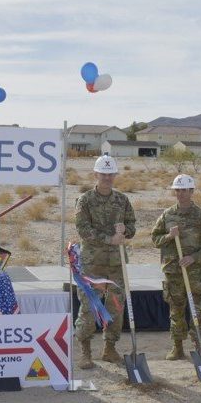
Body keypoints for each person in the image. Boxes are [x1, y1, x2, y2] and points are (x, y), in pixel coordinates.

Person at [74, 153, 136, 369]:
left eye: (111, 174)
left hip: (116, 264)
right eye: (103, 174)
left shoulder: (122, 200)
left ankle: (110, 348)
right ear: (96, 174)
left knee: (116, 307)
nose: (107, 178)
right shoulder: (85, 200)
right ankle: (85, 351)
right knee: (90, 306)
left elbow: (132, 226)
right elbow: (83, 229)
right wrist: (109, 238)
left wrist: (126, 230)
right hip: (93, 263)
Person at [150, 174, 201, 360]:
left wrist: (194, 257)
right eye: (177, 190)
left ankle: (199, 345)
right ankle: (177, 346)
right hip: (174, 271)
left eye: (184, 190)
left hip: (196, 273)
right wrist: (169, 237)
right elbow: (155, 239)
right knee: (176, 310)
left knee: (199, 311)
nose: (181, 193)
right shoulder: (167, 215)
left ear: (191, 191)